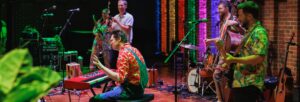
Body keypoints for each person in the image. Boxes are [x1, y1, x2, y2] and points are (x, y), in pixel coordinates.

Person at [221, 1, 268, 102]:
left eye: (240, 15)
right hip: (241, 82)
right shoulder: (249, 32)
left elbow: (259, 58)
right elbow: (244, 54)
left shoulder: (259, 32)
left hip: (250, 83)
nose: (238, 18)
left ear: (249, 16)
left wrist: (234, 59)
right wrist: (230, 62)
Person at [89, 30, 148, 101]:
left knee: (95, 99)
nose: (110, 43)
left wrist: (101, 67)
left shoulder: (123, 53)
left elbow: (120, 78)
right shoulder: (134, 49)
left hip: (131, 92)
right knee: (110, 90)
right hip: (140, 89)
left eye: (111, 40)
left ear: (119, 39)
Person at [205, 1, 245, 101]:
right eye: (218, 9)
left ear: (227, 8)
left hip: (230, 53)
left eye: (220, 8)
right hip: (223, 51)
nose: (218, 11)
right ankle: (222, 98)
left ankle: (221, 99)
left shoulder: (234, 18)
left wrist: (236, 23)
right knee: (219, 76)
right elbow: (221, 38)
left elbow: (243, 32)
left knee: (217, 75)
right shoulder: (223, 21)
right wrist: (210, 40)